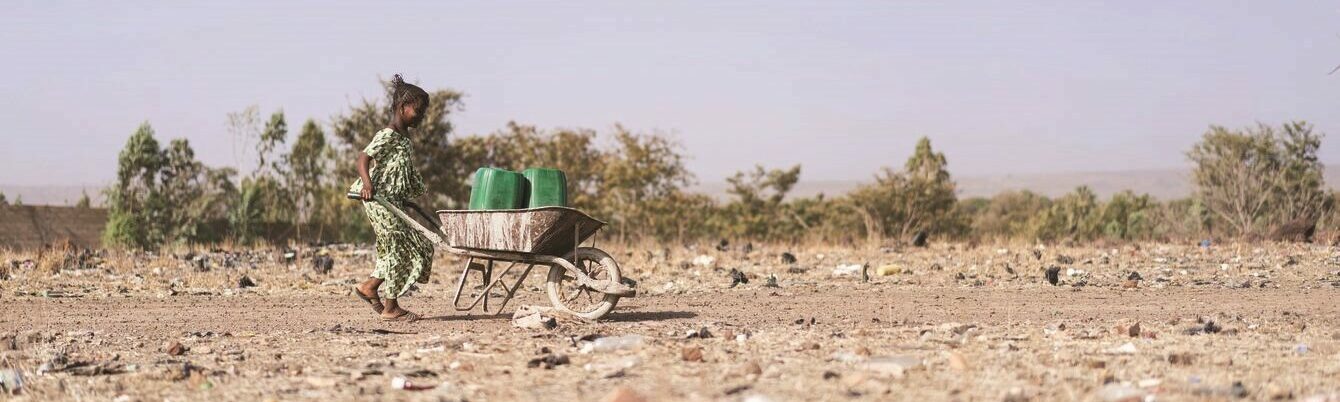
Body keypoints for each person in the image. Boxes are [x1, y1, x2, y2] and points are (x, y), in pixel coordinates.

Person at [350, 74, 433, 322]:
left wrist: (404, 195)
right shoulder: (388, 134)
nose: (421, 116)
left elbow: (398, 171)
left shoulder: (404, 137)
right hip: (377, 199)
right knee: (398, 246)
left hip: (392, 201)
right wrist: (367, 184)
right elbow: (363, 157)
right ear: (401, 107)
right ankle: (391, 306)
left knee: (420, 245)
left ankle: (370, 287)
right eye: (417, 111)